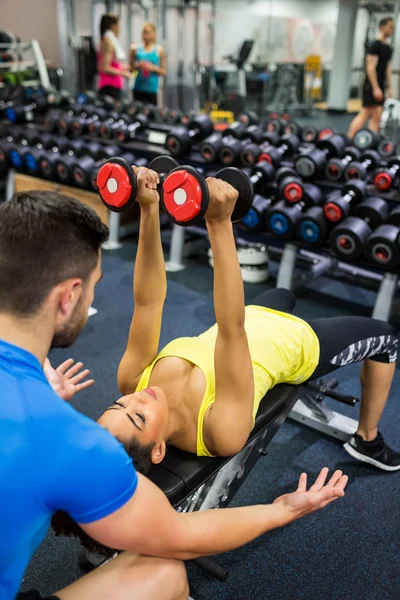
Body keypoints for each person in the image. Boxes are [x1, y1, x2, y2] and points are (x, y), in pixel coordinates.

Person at [1, 186, 347, 600]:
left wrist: (149, 210)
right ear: (69, 296)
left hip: (261, 326)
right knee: (165, 571)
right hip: (283, 341)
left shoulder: (45, 419)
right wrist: (281, 509)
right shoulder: (70, 444)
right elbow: (179, 536)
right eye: (94, 284)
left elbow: (150, 303)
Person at [94, 167, 400, 475]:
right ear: (158, 449)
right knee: (387, 338)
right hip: (292, 343)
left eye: (119, 405)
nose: (135, 400)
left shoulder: (133, 380)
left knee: (283, 293)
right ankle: (367, 439)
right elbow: (231, 332)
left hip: (250, 315)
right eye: (139, 417)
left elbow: (147, 303)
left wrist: (148, 207)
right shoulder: (218, 432)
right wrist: (218, 222)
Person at [348, 17, 394, 138]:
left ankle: (369, 140)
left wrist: (389, 87)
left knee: (377, 114)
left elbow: (387, 69)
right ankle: (349, 139)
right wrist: (375, 87)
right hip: (371, 84)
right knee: (365, 112)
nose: (391, 29)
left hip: (380, 84)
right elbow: (370, 68)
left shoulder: (389, 49)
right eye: (390, 26)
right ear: (382, 27)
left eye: (393, 27)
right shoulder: (375, 45)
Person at [97, 13, 132, 102]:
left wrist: (121, 67)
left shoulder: (108, 40)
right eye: (118, 25)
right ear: (113, 26)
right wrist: (123, 73)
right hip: (109, 86)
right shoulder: (108, 42)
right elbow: (104, 67)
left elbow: (110, 63)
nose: (119, 28)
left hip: (113, 85)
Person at [130, 22, 166, 106]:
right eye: (144, 32)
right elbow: (131, 69)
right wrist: (138, 66)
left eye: (148, 32)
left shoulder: (159, 50)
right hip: (138, 88)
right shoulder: (135, 49)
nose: (145, 35)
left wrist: (153, 68)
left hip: (152, 89)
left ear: (153, 34)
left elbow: (164, 72)